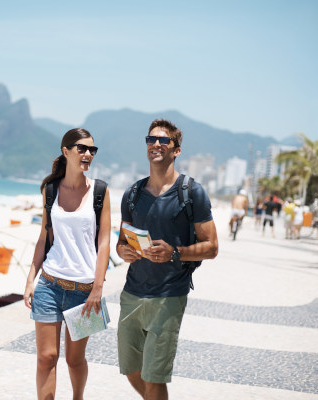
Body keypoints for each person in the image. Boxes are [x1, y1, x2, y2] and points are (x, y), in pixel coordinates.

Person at [116, 119, 218, 400]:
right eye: (151, 140)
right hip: (132, 293)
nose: (156, 145)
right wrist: (123, 251)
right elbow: (121, 242)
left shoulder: (192, 193)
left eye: (163, 141)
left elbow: (212, 246)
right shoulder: (133, 194)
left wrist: (175, 252)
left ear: (177, 150)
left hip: (169, 296)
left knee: (154, 376)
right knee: (131, 370)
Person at [23, 128, 111, 400]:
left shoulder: (100, 191)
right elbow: (44, 237)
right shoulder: (50, 190)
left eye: (92, 150)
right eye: (81, 148)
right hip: (50, 284)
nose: (87, 154)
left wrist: (98, 287)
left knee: (75, 360)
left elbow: (105, 242)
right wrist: (30, 278)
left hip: (84, 291)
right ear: (66, 151)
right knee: (46, 358)